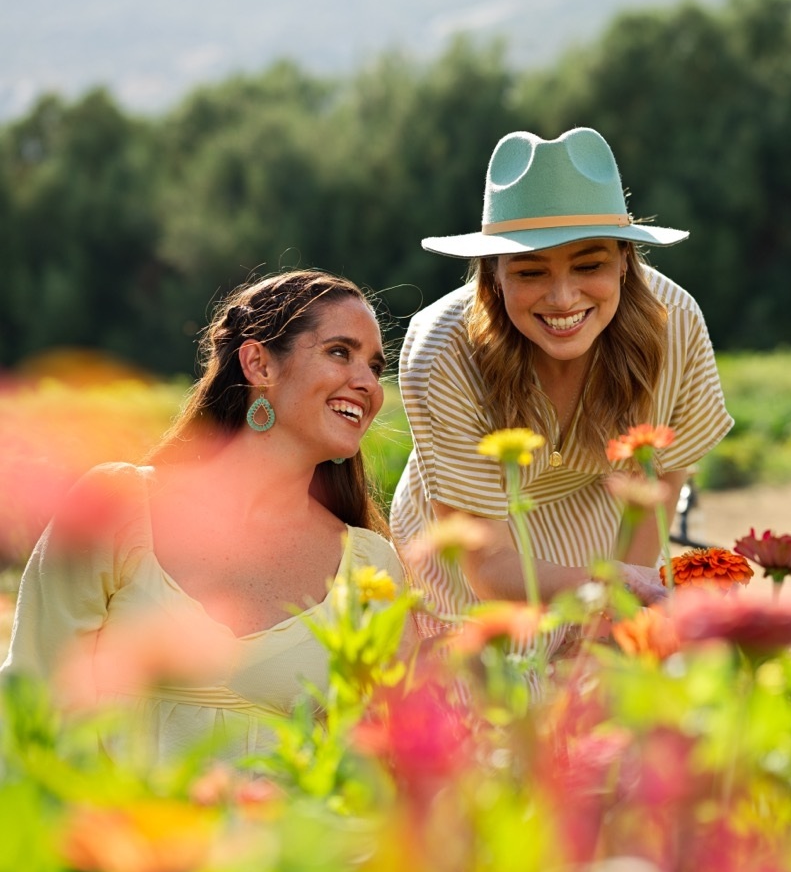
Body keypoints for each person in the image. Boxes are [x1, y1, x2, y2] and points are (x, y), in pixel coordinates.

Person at [5, 269, 407, 757]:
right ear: (258, 364)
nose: (368, 384)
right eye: (340, 352)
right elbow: (32, 697)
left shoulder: (370, 569)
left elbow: (382, 757)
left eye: (375, 367)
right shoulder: (119, 508)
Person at [390, 126, 733, 646]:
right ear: (494, 274)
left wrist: (618, 611)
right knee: (494, 686)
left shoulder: (677, 323)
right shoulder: (442, 351)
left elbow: (659, 486)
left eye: (588, 265)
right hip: (471, 558)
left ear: (625, 260)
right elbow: (487, 563)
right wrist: (609, 587)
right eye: (531, 273)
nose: (563, 298)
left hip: (607, 531)